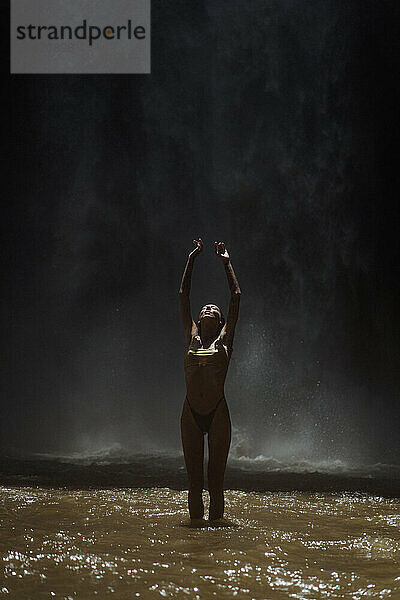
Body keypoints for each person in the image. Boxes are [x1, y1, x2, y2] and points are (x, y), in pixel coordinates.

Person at [179, 238, 241, 526]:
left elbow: (236, 297)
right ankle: (195, 537)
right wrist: (192, 258)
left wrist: (226, 262)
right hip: (190, 412)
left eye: (213, 310)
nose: (207, 309)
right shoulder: (191, 335)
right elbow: (183, 295)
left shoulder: (225, 341)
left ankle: (215, 534)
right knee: (194, 482)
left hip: (217, 413)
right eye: (204, 308)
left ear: (218, 322)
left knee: (215, 481)